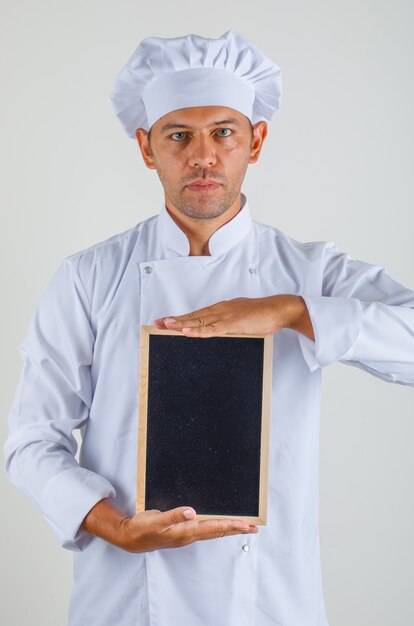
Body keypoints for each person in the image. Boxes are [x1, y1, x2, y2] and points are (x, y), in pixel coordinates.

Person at [4, 29, 414, 626]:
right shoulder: (88, 277)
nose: (204, 156)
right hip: (126, 597)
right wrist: (115, 526)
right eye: (179, 136)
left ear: (257, 140)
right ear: (147, 148)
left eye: (224, 132)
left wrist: (293, 310)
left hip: (269, 599)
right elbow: (30, 441)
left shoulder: (310, 271)